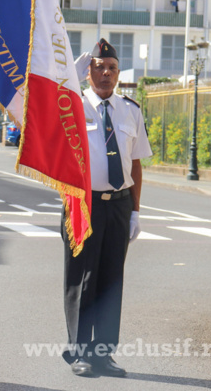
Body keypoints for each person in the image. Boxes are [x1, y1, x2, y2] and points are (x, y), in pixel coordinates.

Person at [63, 39, 152, 377]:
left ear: (118, 74)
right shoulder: (72, 105)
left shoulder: (131, 110)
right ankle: (79, 352)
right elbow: (46, 110)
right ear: (87, 73)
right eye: (98, 67)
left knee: (112, 279)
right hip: (83, 205)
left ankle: (103, 353)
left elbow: (135, 164)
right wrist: (68, 75)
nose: (105, 73)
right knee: (83, 279)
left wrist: (135, 211)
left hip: (118, 206)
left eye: (111, 68)